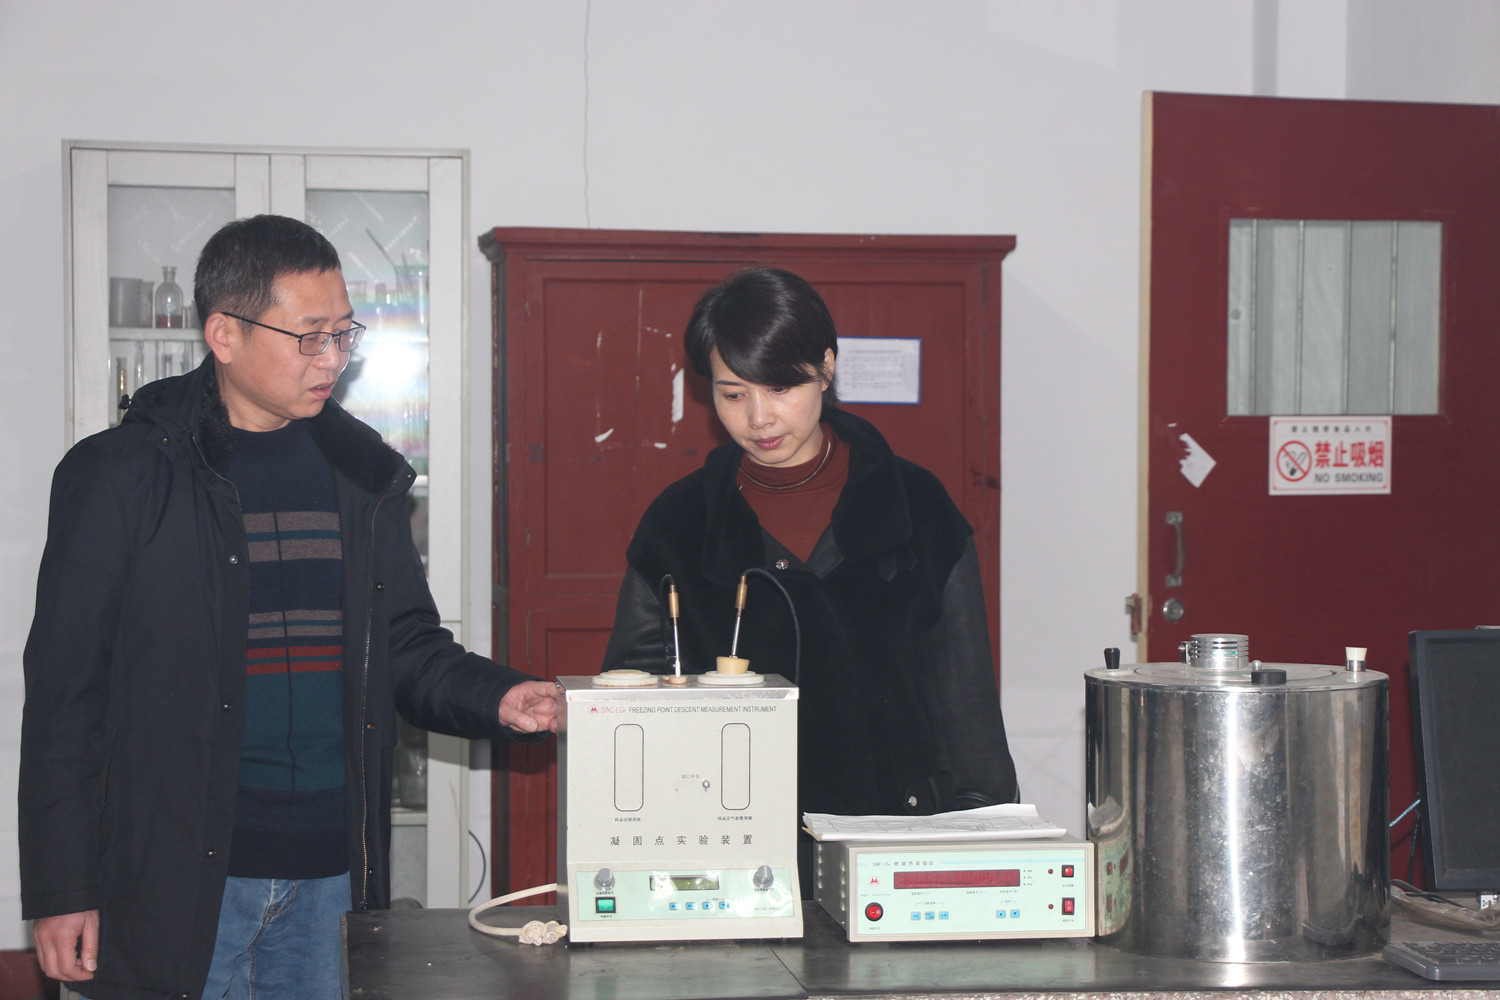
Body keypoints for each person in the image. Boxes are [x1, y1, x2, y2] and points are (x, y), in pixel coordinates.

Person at [20, 214, 561, 1000]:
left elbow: (403, 646)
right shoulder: (121, 476)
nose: (334, 358)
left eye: (344, 334)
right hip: (178, 879)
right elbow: (65, 698)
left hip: (330, 876)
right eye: (310, 337)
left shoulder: (361, 474)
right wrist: (62, 887)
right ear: (224, 334)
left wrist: (499, 696)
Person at [600, 266, 1019, 895]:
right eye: (733, 394)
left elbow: (968, 705)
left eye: (780, 387)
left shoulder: (917, 507)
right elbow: (631, 707)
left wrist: (988, 849)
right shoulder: (680, 523)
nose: (759, 418)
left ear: (825, 367)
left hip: (895, 843)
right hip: (731, 852)